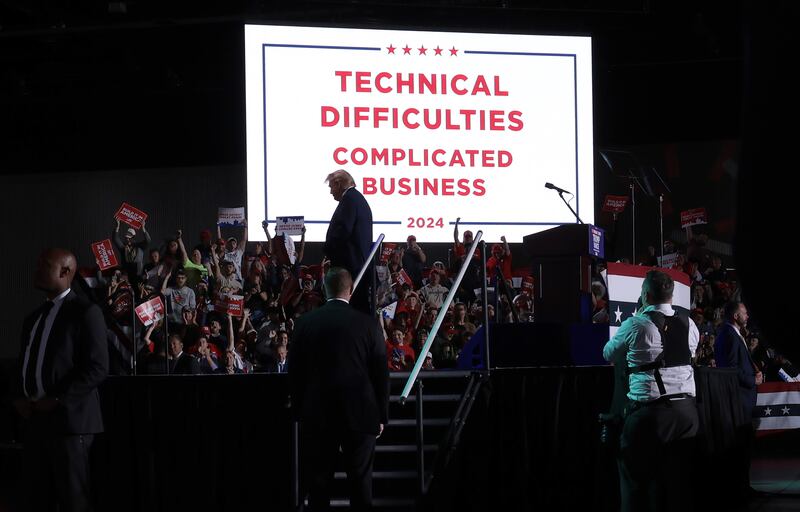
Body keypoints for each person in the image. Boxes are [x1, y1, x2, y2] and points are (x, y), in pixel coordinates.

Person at [13, 248, 109, 511]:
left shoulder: (86, 312)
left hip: (70, 425)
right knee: (34, 500)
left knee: (73, 502)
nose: (36, 270)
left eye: (43, 265)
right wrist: (19, 397)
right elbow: (24, 365)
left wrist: (58, 399)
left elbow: (98, 367)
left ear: (65, 272)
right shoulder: (33, 318)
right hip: (35, 423)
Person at [289, 267, 389, 511]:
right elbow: (380, 373)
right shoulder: (368, 324)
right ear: (351, 290)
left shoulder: (304, 323)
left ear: (324, 288)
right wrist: (382, 415)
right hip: (361, 414)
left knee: (319, 488)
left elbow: (295, 373)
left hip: (317, 416)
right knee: (361, 487)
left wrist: (299, 411)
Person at [602, 270, 699, 512]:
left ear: (645, 295)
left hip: (650, 417)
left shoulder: (636, 324)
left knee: (635, 483)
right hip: (687, 416)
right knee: (678, 486)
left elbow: (608, 354)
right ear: (671, 295)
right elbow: (691, 354)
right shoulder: (690, 324)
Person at [714, 301, 762, 499]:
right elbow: (731, 371)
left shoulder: (733, 333)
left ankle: (743, 487)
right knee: (740, 447)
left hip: (742, 399)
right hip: (739, 400)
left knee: (743, 447)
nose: (748, 316)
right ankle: (740, 489)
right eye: (745, 313)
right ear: (735, 315)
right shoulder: (729, 335)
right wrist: (753, 379)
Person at [323, 169, 374, 314]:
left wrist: (329, 252)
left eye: (331, 187)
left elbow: (342, 231)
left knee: (351, 311)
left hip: (350, 268)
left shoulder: (350, 200)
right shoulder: (356, 199)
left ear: (338, 184)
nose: (331, 192)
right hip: (356, 266)